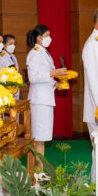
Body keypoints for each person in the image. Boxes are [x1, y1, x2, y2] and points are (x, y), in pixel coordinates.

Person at [26, 25, 68, 166]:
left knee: (42, 137)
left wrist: (56, 84)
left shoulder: (43, 52)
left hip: (45, 99)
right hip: (39, 101)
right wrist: (53, 73)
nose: (50, 38)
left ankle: (40, 168)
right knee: (39, 138)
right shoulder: (35, 54)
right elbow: (33, 77)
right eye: (47, 35)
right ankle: (38, 170)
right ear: (39, 38)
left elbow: (45, 76)